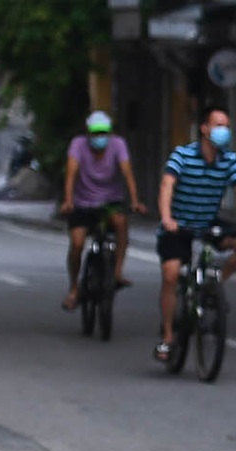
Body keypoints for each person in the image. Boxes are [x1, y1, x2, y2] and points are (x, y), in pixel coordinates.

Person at [156, 107, 236, 361]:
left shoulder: (229, 160)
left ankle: (217, 282)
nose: (223, 131)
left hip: (208, 223)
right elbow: (167, 185)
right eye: (218, 124)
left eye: (227, 126)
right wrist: (167, 218)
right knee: (170, 275)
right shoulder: (183, 155)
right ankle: (168, 337)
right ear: (204, 128)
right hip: (179, 226)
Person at [59, 111, 145, 309]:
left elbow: (127, 173)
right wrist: (68, 200)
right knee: (78, 243)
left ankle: (117, 272)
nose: (100, 137)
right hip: (82, 203)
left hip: (110, 201)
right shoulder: (78, 145)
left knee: (121, 223)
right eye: (96, 133)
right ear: (88, 133)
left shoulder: (118, 145)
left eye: (104, 133)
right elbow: (71, 174)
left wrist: (135, 201)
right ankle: (74, 288)